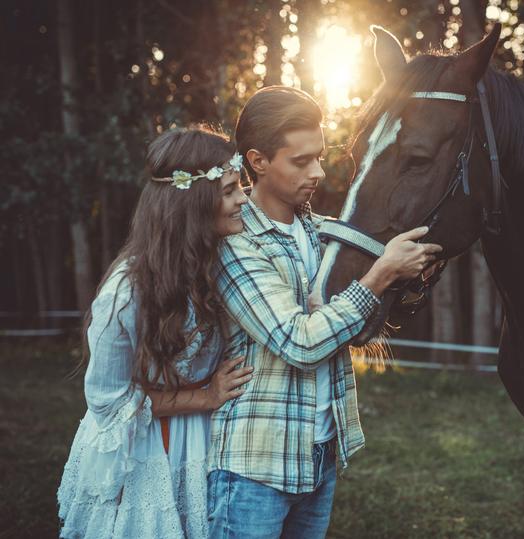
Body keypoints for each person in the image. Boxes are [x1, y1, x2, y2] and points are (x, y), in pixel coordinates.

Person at [207, 86, 442, 538]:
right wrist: (375, 278)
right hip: (254, 464)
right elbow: (299, 341)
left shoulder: (327, 235)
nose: (318, 171)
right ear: (257, 162)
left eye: (319, 156)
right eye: (300, 161)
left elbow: (349, 325)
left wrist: (406, 272)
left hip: (319, 453)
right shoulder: (237, 245)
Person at [58, 127, 251, 538]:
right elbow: (107, 403)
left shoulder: (220, 265)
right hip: (144, 445)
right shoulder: (126, 293)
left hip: (206, 436)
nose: (242, 200)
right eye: (230, 190)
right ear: (194, 203)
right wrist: (207, 396)